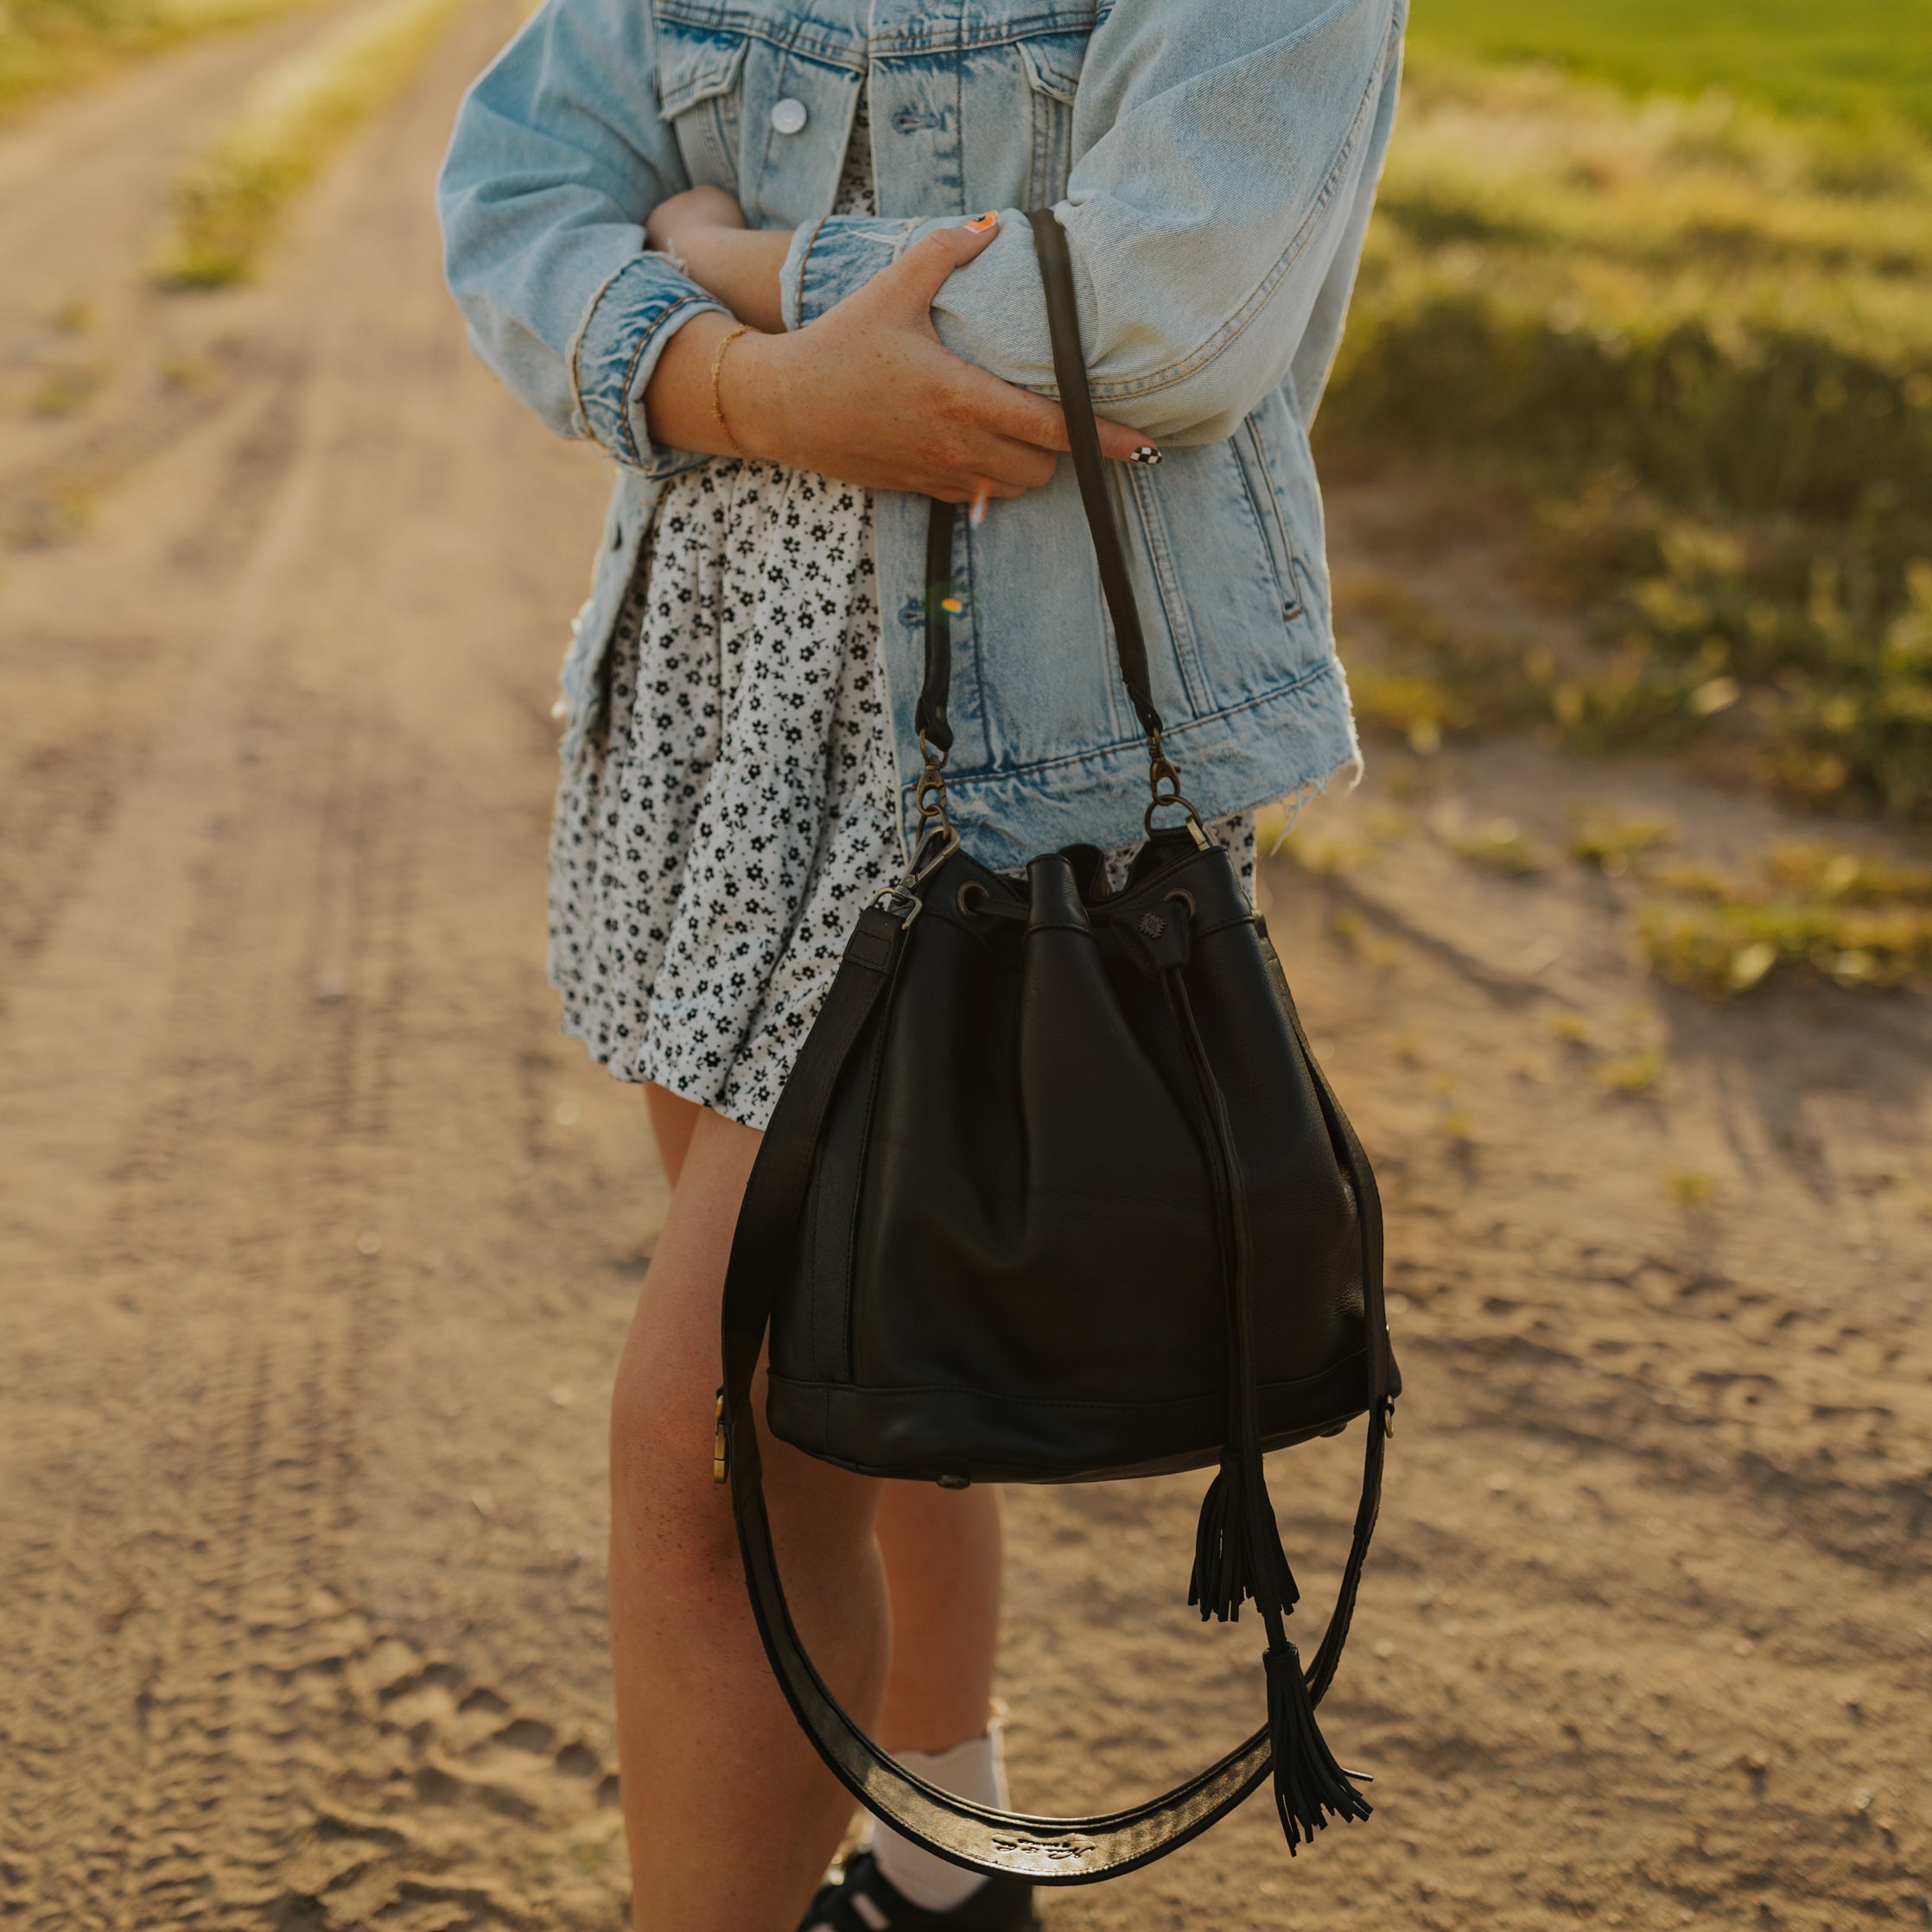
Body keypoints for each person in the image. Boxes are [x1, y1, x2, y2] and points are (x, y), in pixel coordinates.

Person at [436, 0, 1404, 1924]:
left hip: (984, 764)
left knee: (711, 1454)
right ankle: (945, 1870)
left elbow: (1147, 310)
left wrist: (720, 266)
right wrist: (753, 389)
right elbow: (514, 189)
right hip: (703, 714)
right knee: (878, 1369)